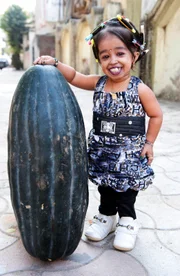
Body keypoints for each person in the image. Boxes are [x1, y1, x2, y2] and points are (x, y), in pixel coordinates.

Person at [33, 15, 163, 252]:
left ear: (134, 55)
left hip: (129, 156)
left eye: (120, 53)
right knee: (105, 188)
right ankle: (106, 218)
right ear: (99, 60)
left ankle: (127, 222)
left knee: (125, 192)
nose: (113, 60)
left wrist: (149, 143)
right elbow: (74, 77)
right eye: (105, 56)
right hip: (103, 152)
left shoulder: (140, 89)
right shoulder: (99, 83)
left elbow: (156, 115)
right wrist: (55, 63)